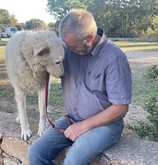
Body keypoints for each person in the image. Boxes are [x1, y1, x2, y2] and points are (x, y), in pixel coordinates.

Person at [28, 9, 132, 165]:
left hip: (106, 124)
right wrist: (38, 42)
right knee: (35, 154)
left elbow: (121, 107)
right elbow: (40, 65)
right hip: (73, 119)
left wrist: (83, 126)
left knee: (73, 161)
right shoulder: (67, 48)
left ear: (89, 38)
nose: (68, 51)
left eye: (73, 47)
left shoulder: (114, 58)